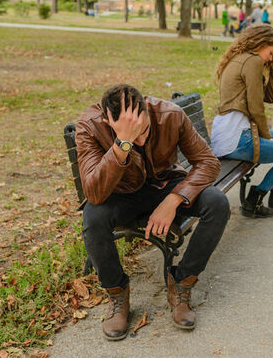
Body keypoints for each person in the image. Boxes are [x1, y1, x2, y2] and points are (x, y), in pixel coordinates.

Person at [76, 84, 230, 340]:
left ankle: (181, 285)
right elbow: (93, 193)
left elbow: (208, 163)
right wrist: (121, 144)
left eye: (143, 130)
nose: (140, 141)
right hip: (120, 192)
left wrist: (173, 200)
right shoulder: (90, 125)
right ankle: (117, 296)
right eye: (130, 136)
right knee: (93, 217)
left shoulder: (170, 114)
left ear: (146, 108)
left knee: (217, 202)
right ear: (107, 121)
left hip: (164, 185)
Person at [210, 24, 273, 218]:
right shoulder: (251, 62)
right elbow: (255, 107)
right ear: (262, 43)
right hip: (236, 139)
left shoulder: (244, 59)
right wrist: (267, 137)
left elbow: (268, 98)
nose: (271, 57)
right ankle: (255, 198)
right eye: (271, 52)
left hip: (233, 133)